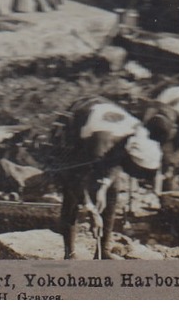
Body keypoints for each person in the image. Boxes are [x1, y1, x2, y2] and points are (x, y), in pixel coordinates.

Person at [52, 96, 162, 260]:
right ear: (130, 160)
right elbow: (76, 179)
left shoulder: (139, 134)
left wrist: (105, 185)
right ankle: (70, 253)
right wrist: (90, 209)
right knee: (72, 195)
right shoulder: (100, 143)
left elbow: (116, 160)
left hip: (105, 124)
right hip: (78, 126)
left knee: (113, 190)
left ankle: (102, 251)